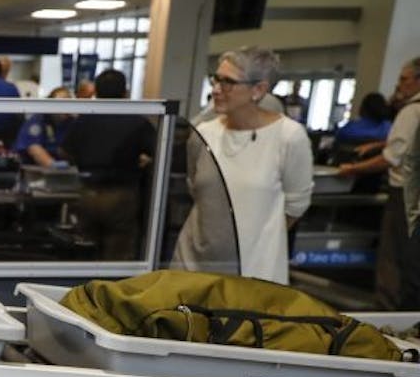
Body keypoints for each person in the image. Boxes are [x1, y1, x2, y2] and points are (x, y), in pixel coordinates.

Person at [174, 48, 313, 284]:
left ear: (258, 89)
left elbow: (295, 206)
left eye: (228, 82)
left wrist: (256, 240)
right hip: (191, 266)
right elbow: (196, 190)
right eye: (216, 79)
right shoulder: (204, 134)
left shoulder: (289, 137)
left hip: (252, 273)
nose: (216, 89)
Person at [338, 57, 420, 307]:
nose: (400, 84)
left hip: (404, 193)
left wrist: (353, 168)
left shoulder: (410, 111)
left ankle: (390, 311)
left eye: (405, 79)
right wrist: (377, 144)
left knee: (395, 257)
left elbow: (393, 157)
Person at [61, 69, 156, 261]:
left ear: (96, 92)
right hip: (121, 195)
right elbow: (157, 151)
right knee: (118, 254)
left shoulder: (84, 120)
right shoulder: (136, 121)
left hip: (87, 192)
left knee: (85, 250)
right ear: (125, 92)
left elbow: (65, 151)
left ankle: (83, 288)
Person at [17, 86, 74, 167]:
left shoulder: (70, 122)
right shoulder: (38, 120)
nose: (66, 107)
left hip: (66, 169)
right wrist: (52, 165)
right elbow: (34, 148)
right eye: (62, 103)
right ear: (51, 104)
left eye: (69, 102)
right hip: (36, 168)